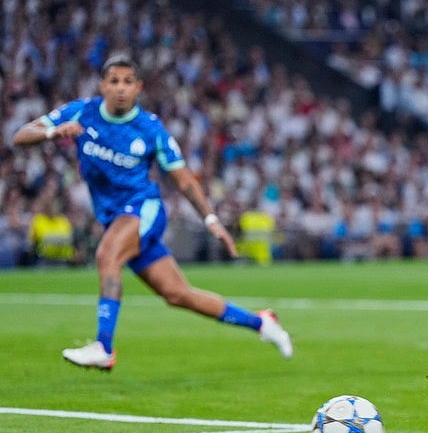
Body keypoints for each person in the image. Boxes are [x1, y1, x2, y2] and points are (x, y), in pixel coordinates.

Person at [11, 54, 293, 370]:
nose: (120, 88)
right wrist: (53, 132)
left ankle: (104, 347)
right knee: (177, 294)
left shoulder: (149, 128)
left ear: (138, 88)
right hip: (115, 218)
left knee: (107, 256)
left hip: (143, 210)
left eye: (127, 82)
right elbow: (20, 136)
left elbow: (184, 180)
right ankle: (261, 323)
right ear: (102, 85)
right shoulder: (82, 112)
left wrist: (211, 220)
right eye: (114, 81)